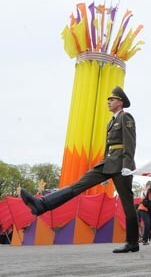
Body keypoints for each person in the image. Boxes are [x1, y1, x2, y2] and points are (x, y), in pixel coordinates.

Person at [20, 86, 139, 253]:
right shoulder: (111, 122)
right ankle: (42, 205)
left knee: (127, 204)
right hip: (108, 163)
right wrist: (105, 168)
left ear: (120, 102)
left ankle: (133, 242)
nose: (108, 102)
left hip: (121, 165)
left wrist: (127, 166)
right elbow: (108, 147)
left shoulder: (126, 118)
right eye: (108, 100)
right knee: (79, 185)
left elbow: (130, 143)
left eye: (111, 100)